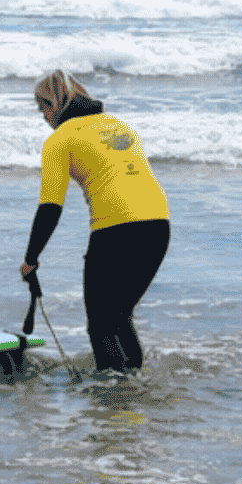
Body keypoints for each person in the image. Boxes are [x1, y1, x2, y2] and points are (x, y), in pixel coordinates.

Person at [18, 71, 171, 374]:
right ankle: (132, 382)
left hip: (115, 229)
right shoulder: (117, 124)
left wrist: (31, 259)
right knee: (118, 315)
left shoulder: (60, 140)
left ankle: (114, 397)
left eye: (43, 108)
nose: (44, 117)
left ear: (56, 104)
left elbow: (50, 206)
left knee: (101, 323)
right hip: (158, 225)